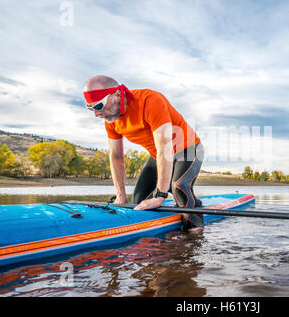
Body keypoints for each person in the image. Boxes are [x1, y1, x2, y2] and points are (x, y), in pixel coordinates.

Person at [83, 75, 204, 229]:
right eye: (90, 108)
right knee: (137, 201)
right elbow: (116, 156)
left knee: (179, 187)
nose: (96, 114)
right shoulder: (111, 120)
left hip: (187, 148)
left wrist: (161, 195)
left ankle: (195, 232)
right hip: (158, 155)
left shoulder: (150, 100)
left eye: (99, 106)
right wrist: (120, 196)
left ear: (117, 95)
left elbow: (164, 147)